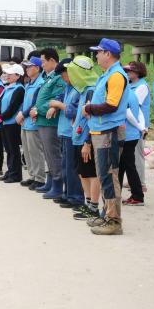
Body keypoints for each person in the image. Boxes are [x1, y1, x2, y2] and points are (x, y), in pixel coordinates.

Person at [82, 38, 131, 236]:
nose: (96, 55)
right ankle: (106, 214)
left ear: (108, 54)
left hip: (108, 132)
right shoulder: (108, 74)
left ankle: (113, 220)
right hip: (101, 131)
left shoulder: (116, 76)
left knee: (109, 176)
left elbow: (112, 105)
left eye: (99, 52)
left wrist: (89, 108)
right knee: (104, 175)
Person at [66, 56, 101, 220]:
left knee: (91, 173)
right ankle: (88, 204)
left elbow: (92, 119)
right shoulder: (83, 90)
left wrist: (87, 142)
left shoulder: (91, 90)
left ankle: (93, 207)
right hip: (78, 137)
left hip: (87, 139)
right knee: (82, 173)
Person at [50, 59, 85, 208]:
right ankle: (67, 193)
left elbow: (74, 112)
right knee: (65, 166)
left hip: (73, 133)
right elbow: (58, 97)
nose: (64, 79)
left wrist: (59, 105)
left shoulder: (79, 89)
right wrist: (55, 105)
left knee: (72, 167)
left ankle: (75, 197)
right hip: (64, 131)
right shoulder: (68, 87)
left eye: (65, 75)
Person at [32, 48, 66, 199]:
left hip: (51, 122)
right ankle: (51, 181)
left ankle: (58, 186)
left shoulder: (59, 78)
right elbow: (42, 99)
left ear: (52, 60)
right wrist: (35, 109)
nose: (42, 65)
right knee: (48, 154)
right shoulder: (48, 77)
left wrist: (37, 109)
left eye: (44, 61)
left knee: (53, 154)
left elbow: (55, 99)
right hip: (42, 120)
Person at [118, 61, 148, 206]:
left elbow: (129, 113)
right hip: (131, 134)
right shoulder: (130, 90)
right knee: (123, 164)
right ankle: (119, 193)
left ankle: (137, 195)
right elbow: (139, 112)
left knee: (128, 165)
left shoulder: (126, 92)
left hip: (128, 135)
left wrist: (140, 127)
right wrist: (141, 127)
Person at [19, 58, 46, 190]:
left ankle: (40, 178)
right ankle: (32, 175)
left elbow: (35, 103)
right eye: (26, 67)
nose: (27, 69)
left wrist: (22, 114)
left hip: (33, 123)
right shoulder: (29, 83)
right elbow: (25, 103)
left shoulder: (40, 83)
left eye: (30, 67)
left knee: (35, 151)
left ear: (37, 68)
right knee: (27, 151)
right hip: (25, 122)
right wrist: (21, 113)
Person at [0, 64, 25, 183]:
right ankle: (10, 171)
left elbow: (13, 106)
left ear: (18, 76)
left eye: (10, 74)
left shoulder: (19, 89)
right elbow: (0, 102)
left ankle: (16, 174)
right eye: (7, 73)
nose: (7, 75)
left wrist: (2, 117)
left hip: (12, 123)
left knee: (13, 149)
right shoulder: (7, 87)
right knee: (8, 148)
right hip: (4, 122)